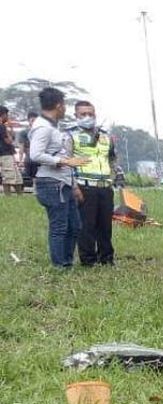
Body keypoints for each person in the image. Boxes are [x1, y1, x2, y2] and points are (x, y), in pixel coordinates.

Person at [29, 87, 89, 269]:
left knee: (75, 225)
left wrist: (73, 183)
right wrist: (62, 161)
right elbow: (35, 154)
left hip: (63, 183)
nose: (65, 110)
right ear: (58, 105)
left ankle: (67, 261)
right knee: (59, 227)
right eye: (64, 105)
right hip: (51, 184)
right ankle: (60, 266)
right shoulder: (42, 128)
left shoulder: (52, 126)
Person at [70, 101, 117, 266]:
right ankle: (88, 260)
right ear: (75, 116)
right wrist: (74, 186)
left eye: (90, 114)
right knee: (86, 226)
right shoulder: (71, 136)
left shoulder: (105, 136)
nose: (87, 117)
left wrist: (112, 177)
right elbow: (66, 163)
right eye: (83, 114)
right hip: (84, 186)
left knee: (105, 225)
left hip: (105, 186)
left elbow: (112, 158)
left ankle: (106, 258)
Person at [0, 107, 21, 195]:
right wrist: (10, 128)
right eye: (6, 115)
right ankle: (15, 196)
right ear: (3, 114)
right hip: (5, 154)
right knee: (11, 177)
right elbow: (9, 141)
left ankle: (15, 196)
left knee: (11, 176)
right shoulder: (1, 127)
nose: (7, 117)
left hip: (5, 154)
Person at [19, 110, 39, 184]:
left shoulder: (41, 131)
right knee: (33, 176)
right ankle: (35, 191)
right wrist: (20, 161)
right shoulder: (24, 132)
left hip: (40, 157)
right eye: (32, 120)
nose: (34, 122)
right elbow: (21, 147)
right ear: (28, 121)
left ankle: (36, 191)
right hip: (30, 158)